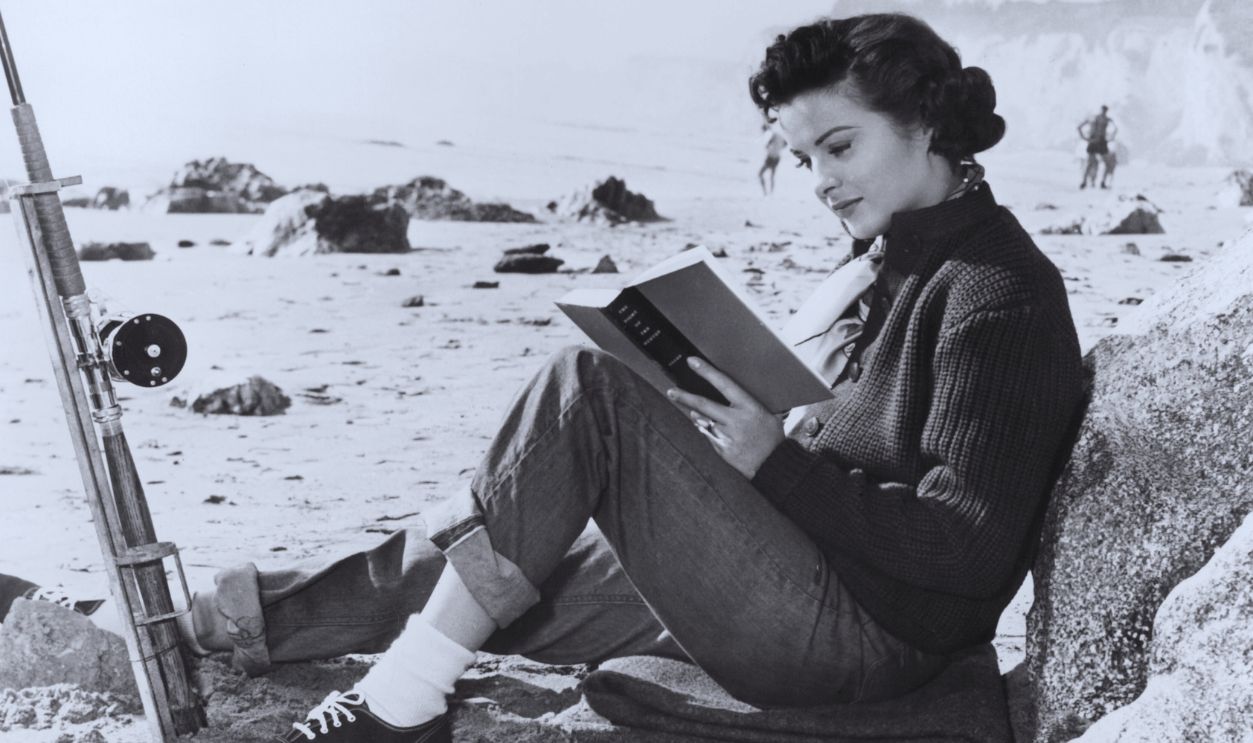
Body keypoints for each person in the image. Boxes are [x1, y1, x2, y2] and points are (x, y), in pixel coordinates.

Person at [174, 14, 1084, 743]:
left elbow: (963, 547)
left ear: (924, 124)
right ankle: (222, 621)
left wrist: (774, 458)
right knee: (517, 539)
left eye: (838, 148)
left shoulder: (997, 293)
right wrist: (777, 410)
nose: (819, 181)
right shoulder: (885, 266)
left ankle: (400, 705)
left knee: (589, 383)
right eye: (805, 157)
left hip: (866, 642)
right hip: (805, 574)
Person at [1078, 105, 1118, 189]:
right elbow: (1080, 127)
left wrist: (1110, 138)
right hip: (1095, 142)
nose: (1104, 112)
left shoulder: (1107, 120)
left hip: (1101, 142)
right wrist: (1085, 138)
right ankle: (1084, 182)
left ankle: (1101, 182)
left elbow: (1115, 129)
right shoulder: (1095, 119)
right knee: (1090, 163)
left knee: (1106, 163)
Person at [758, 121, 788, 195]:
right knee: (772, 176)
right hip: (777, 157)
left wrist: (769, 147)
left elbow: (767, 144)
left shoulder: (771, 134)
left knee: (760, 174)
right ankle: (771, 193)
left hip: (771, 156)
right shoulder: (777, 134)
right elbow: (785, 143)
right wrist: (778, 149)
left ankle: (765, 193)